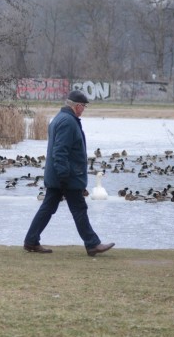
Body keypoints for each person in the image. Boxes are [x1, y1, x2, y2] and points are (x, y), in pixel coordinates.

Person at [23, 90, 115, 256]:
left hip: (59, 175)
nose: (84, 109)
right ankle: (92, 243)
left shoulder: (61, 119)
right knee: (79, 209)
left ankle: (31, 241)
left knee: (48, 208)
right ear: (77, 106)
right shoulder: (67, 122)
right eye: (84, 106)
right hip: (66, 176)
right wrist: (64, 176)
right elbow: (60, 151)